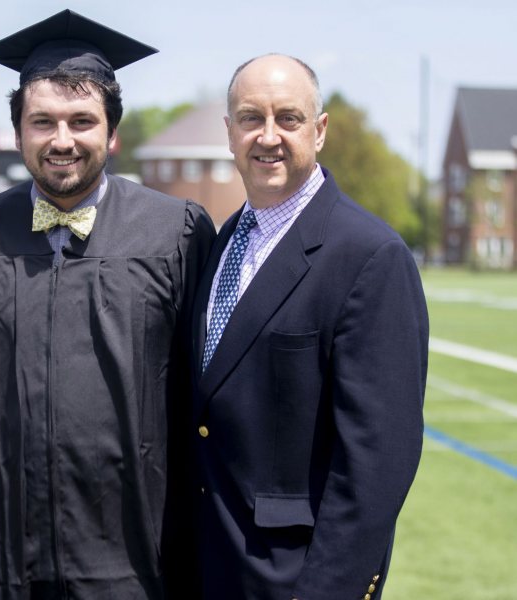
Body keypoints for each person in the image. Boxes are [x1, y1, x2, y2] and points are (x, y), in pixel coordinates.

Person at [0, 10, 215, 599]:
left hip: (132, 560)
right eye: (43, 122)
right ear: (17, 133)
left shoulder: (176, 234)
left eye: (81, 121)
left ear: (112, 133)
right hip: (2, 559)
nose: (62, 140)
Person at [191, 54, 429, 599]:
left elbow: (376, 466)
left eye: (288, 118)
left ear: (319, 131)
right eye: (251, 118)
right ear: (229, 133)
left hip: (295, 580)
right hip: (210, 570)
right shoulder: (223, 241)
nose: (268, 136)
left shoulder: (371, 256)